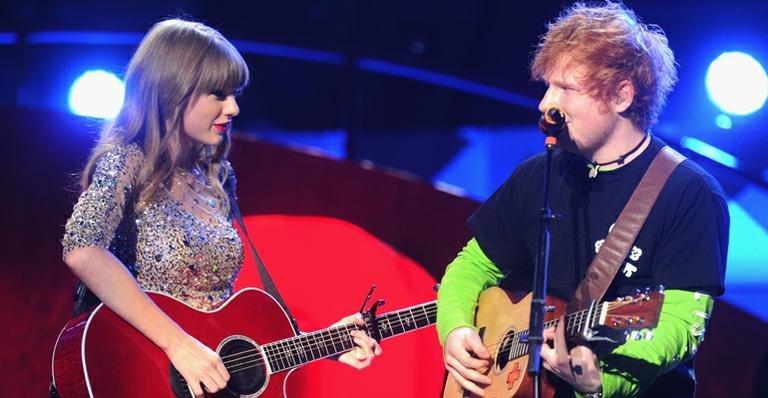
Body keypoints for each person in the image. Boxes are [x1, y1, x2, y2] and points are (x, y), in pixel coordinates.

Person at [61, 19, 380, 398]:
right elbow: (82, 250)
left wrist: (323, 343)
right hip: (147, 375)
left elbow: (221, 326)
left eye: (234, 93)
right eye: (218, 93)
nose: (234, 107)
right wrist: (177, 345)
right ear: (172, 91)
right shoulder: (128, 161)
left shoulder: (217, 177)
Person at [437, 2, 728, 397]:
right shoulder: (538, 173)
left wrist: (601, 384)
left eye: (566, 88)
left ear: (622, 96)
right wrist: (455, 329)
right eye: (548, 85)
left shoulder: (690, 194)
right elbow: (472, 266)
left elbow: (681, 323)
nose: (545, 103)